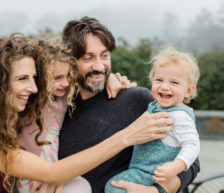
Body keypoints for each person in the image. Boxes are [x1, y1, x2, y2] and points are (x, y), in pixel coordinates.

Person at [0, 34, 172, 193]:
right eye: (22, 79)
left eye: (34, 78)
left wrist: (108, 78)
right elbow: (52, 173)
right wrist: (128, 136)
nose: (34, 88)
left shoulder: (2, 119)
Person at [59, 16, 200, 193]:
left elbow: (192, 161)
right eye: (88, 58)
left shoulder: (137, 99)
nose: (99, 66)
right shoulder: (57, 110)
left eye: (104, 55)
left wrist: (155, 191)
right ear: (70, 61)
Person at [18, 37, 133, 193]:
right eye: (58, 78)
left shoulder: (64, 96)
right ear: (41, 77)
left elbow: (90, 80)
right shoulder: (29, 100)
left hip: (55, 174)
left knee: (82, 185)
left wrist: (111, 78)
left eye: (68, 76)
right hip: (31, 176)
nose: (65, 83)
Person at [105, 47, 200, 193]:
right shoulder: (155, 105)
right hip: (142, 169)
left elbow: (192, 145)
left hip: (153, 174)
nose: (164, 86)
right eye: (159, 80)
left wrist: (175, 167)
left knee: (114, 187)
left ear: (188, 90)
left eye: (174, 83)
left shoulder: (180, 116)